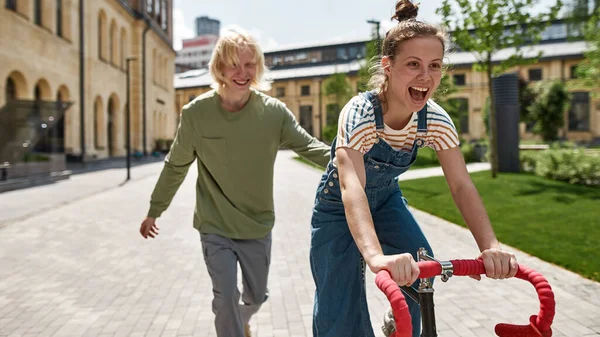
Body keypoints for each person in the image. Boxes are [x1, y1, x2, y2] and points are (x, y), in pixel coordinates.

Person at [309, 1, 518, 336]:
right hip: (338, 207)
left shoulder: (434, 119)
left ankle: (397, 327)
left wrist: (489, 246)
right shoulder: (360, 113)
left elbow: (462, 186)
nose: (426, 76)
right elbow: (352, 188)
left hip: (387, 201)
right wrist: (376, 257)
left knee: (421, 273)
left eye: (434, 65)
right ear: (387, 66)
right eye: (413, 64)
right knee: (338, 310)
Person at [139, 29, 331, 337]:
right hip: (214, 225)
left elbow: (309, 146)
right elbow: (176, 165)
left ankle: (243, 320)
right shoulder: (196, 114)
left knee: (255, 296)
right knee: (224, 297)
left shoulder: (273, 114)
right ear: (219, 68)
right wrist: (154, 210)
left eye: (249, 64)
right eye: (233, 65)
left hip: (257, 225)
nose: (242, 73)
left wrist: (353, 159)